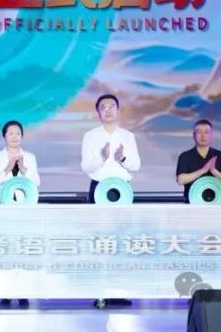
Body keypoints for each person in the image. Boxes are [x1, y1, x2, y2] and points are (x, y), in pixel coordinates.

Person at [80, 94, 140, 309]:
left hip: (122, 190)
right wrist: (103, 157)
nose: (107, 110)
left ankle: (120, 290)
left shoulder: (128, 136)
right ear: (98, 112)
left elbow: (136, 166)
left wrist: (122, 158)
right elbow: (86, 167)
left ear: (118, 110)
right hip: (99, 188)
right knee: (100, 241)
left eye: (111, 107)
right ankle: (100, 292)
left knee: (121, 241)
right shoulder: (90, 136)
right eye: (103, 107)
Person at [0, 120, 40, 309]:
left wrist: (23, 168)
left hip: (24, 210)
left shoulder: (30, 157)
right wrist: (7, 168)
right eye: (11, 133)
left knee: (23, 251)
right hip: (3, 210)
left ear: (22, 136)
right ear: (4, 137)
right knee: (5, 251)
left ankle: (23, 292)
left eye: (18, 133)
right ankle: (6, 292)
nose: (15, 137)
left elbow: (36, 182)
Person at [175, 119, 221, 202]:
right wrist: (202, 171)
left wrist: (214, 171)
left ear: (211, 135)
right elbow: (181, 180)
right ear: (194, 135)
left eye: (206, 132)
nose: (203, 136)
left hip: (217, 203)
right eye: (199, 132)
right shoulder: (185, 156)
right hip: (192, 204)